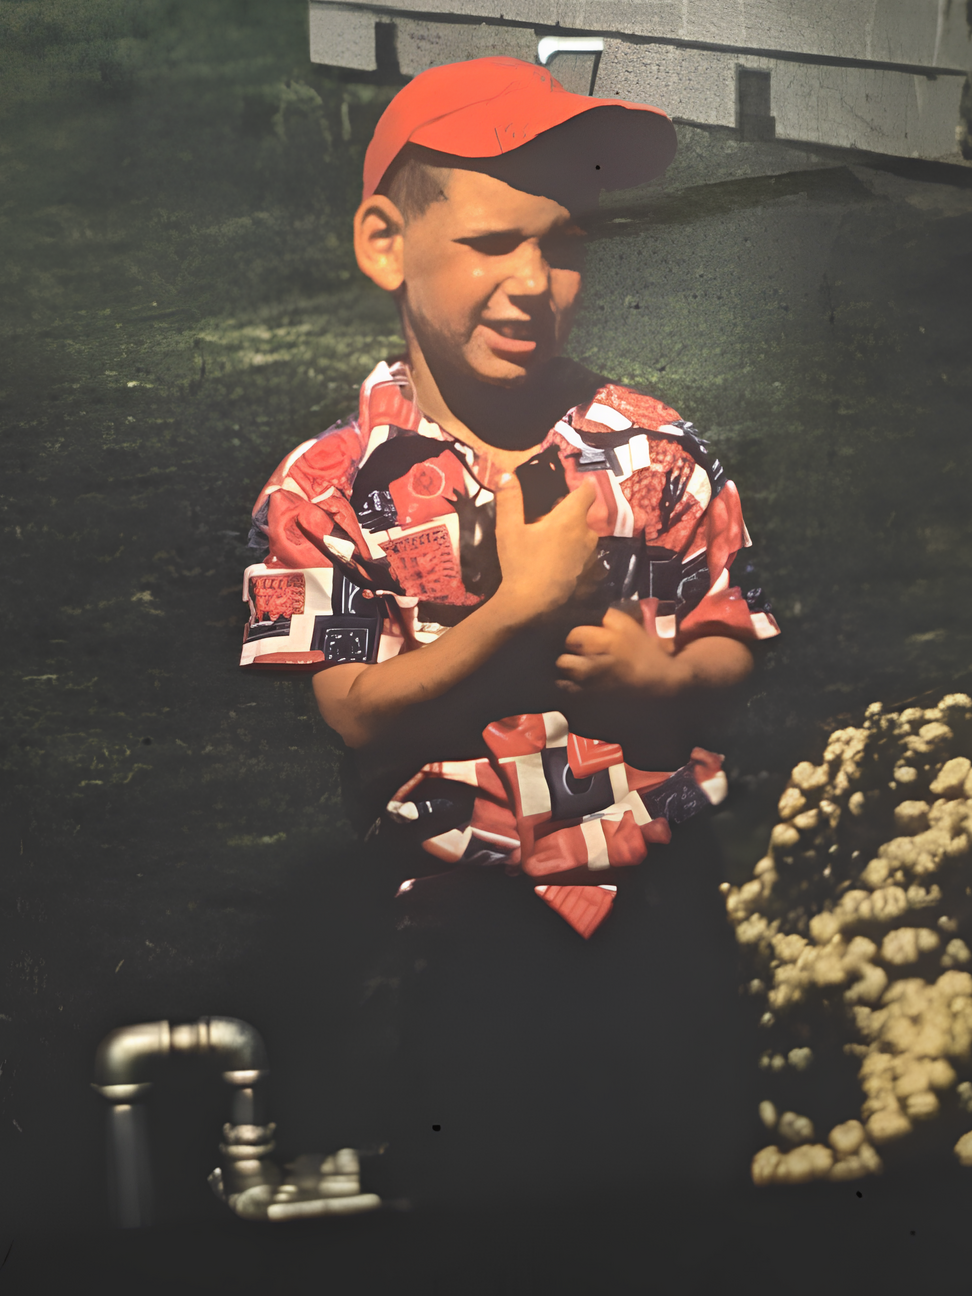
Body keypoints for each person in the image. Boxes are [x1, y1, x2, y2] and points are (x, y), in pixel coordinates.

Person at [236, 56, 780, 939]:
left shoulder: (655, 449)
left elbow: (731, 626)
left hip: (667, 902)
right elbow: (355, 713)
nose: (533, 283)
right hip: (458, 919)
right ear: (386, 243)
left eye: (563, 243)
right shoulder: (325, 488)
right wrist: (521, 611)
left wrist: (666, 682)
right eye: (492, 243)